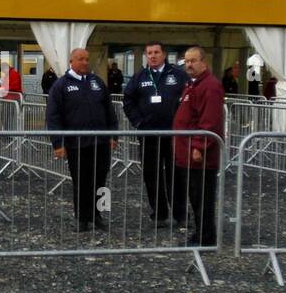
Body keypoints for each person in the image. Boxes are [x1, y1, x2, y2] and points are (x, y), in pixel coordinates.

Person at [46, 48, 118, 232]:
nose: (85, 62)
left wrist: (113, 135)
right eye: (80, 59)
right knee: (81, 181)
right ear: (71, 61)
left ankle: (99, 214)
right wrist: (58, 143)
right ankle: (82, 218)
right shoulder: (61, 85)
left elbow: (109, 111)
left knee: (101, 180)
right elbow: (53, 116)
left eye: (87, 59)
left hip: (101, 142)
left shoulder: (97, 82)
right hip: (77, 144)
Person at [123, 41, 187, 228]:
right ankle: (159, 214)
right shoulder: (139, 77)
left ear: (164, 54)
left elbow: (189, 99)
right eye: (149, 53)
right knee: (152, 175)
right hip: (149, 135)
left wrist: (183, 123)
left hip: (174, 135)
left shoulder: (178, 75)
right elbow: (128, 100)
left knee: (176, 175)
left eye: (156, 52)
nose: (152, 56)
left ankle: (180, 214)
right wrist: (138, 122)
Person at [173, 46, 224, 247]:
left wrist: (199, 146)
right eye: (186, 61)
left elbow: (209, 120)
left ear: (204, 62)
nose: (189, 65)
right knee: (195, 197)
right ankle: (201, 233)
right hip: (186, 152)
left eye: (193, 61)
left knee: (202, 197)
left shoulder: (210, 86)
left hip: (200, 156)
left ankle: (205, 237)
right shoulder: (192, 85)